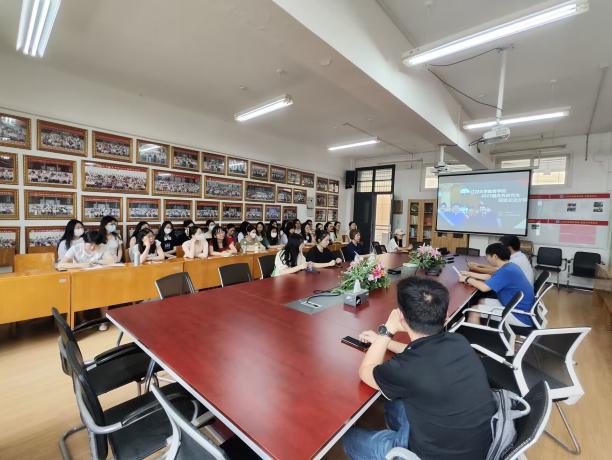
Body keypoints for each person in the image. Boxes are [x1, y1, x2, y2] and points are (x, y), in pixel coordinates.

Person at [342, 277, 495, 460]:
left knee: (349, 439)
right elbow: (416, 351)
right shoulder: (458, 341)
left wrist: (387, 331)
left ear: (400, 317)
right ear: (446, 315)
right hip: (476, 446)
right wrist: (384, 342)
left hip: (433, 456)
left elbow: (366, 370)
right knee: (393, 403)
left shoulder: (406, 369)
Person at [459, 243, 536, 327]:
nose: (486, 259)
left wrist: (467, 279)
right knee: (482, 301)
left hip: (520, 315)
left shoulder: (506, 270)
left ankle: (474, 333)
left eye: (487, 256)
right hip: (514, 306)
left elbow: (484, 288)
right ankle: (483, 325)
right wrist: (470, 274)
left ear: (495, 256)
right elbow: (490, 277)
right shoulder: (510, 266)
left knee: (474, 311)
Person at [467, 235, 534, 286]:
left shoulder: (515, 261)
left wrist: (475, 268)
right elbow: (497, 268)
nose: (499, 248)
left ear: (509, 248)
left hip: (517, 293)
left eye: (501, 246)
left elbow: (495, 271)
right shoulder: (519, 256)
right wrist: (479, 265)